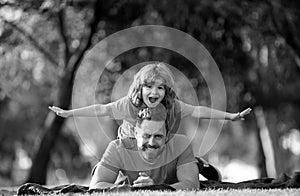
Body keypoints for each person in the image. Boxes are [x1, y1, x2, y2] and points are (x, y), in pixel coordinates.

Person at [49, 62, 251, 180]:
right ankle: (108, 169)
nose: (154, 92)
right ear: (140, 89)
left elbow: (198, 111)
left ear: (166, 92)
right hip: (131, 151)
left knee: (173, 154)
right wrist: (69, 113)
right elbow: (101, 109)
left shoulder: (172, 106)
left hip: (159, 148)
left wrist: (230, 116)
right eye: (149, 86)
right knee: (126, 171)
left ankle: (197, 165)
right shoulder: (128, 105)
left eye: (160, 88)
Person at [89, 106, 199, 190]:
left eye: (158, 136)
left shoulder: (181, 144)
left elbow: (192, 184)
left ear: (167, 136)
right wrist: (131, 190)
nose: (151, 142)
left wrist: (155, 188)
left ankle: (199, 164)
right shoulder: (117, 147)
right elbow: (96, 186)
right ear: (136, 133)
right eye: (146, 136)